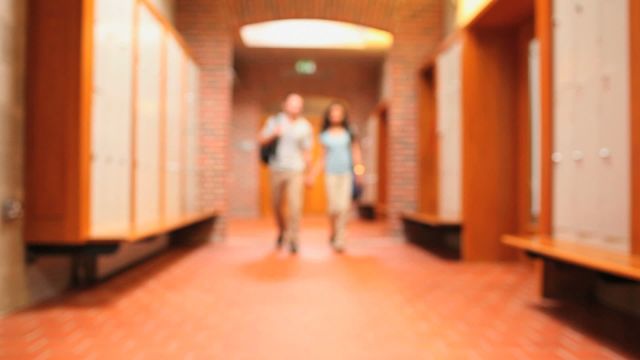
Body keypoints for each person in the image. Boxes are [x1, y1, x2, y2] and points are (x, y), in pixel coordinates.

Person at [258, 93, 313, 254]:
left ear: (301, 107)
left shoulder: (305, 126)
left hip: (296, 170)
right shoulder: (274, 121)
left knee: (295, 206)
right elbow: (260, 139)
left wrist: (310, 174)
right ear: (285, 105)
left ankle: (294, 238)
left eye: (298, 104)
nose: (295, 107)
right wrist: (274, 134)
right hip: (276, 168)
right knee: (276, 205)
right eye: (292, 103)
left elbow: (307, 151)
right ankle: (282, 230)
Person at [306, 102, 364, 252]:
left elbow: (356, 153)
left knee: (343, 207)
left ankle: (340, 238)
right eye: (333, 112)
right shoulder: (325, 135)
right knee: (333, 208)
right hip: (331, 174)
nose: (336, 115)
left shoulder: (349, 132)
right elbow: (322, 158)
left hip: (346, 174)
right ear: (329, 115)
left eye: (339, 112)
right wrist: (312, 175)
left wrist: (359, 172)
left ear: (343, 115)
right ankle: (333, 231)